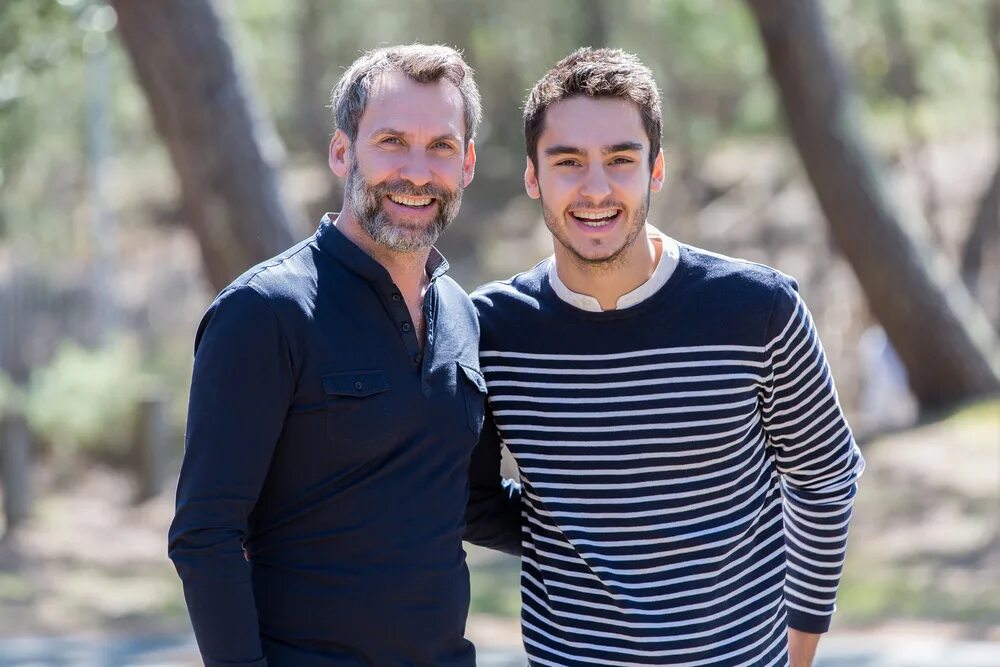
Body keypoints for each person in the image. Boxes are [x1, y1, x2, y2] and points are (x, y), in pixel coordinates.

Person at [466, 48, 865, 667]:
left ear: (655, 170)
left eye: (620, 159)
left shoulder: (756, 309)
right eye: (567, 161)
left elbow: (825, 476)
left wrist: (801, 646)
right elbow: (471, 497)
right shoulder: (492, 329)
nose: (595, 188)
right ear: (532, 176)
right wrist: (583, 533)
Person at [169, 44, 493, 667]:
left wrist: (622, 513)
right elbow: (204, 535)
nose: (418, 173)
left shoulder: (461, 312)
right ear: (343, 152)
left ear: (468, 162)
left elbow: (469, 502)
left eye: (441, 147)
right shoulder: (265, 312)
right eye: (392, 141)